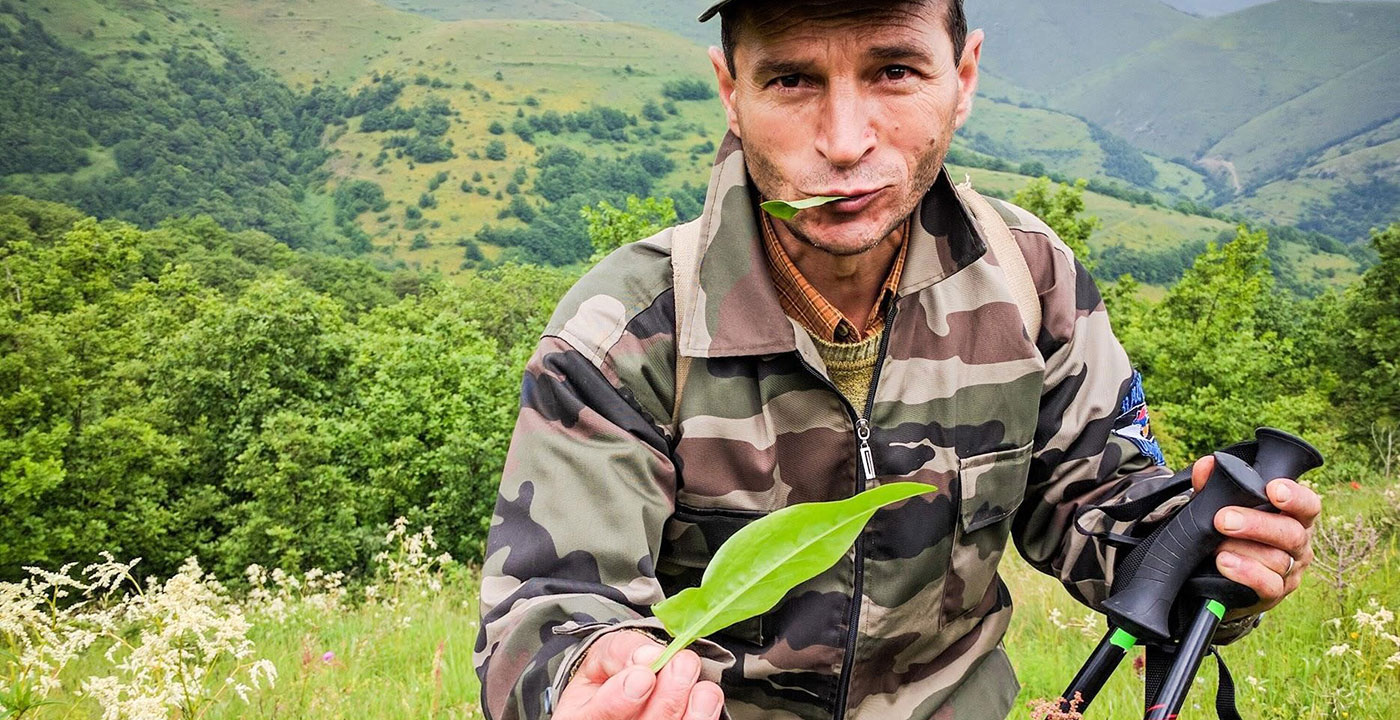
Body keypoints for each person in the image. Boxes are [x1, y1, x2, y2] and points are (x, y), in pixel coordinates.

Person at [472, 2, 1322, 719]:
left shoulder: (1030, 279)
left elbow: (1098, 504)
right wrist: (597, 673)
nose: (844, 143)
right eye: (792, 80)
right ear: (731, 91)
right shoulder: (625, 328)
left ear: (965, 76)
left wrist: (1210, 550)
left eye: (895, 72)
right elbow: (548, 602)